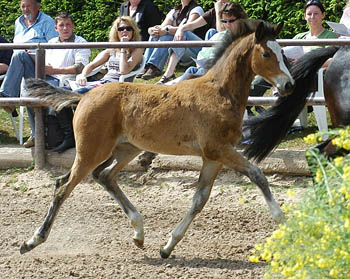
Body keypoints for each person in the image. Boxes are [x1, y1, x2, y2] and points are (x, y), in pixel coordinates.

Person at [248, 0, 337, 117]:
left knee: (279, 72)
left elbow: (334, 61)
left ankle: (259, 104)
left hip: (315, 77)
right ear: (304, 16)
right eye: (309, 14)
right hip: (294, 74)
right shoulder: (299, 37)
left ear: (323, 15)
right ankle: (248, 101)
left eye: (316, 13)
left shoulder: (330, 37)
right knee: (272, 67)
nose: (312, 17)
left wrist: (306, 62)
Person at [23, 11, 91, 150]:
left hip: (66, 82)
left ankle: (53, 136)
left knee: (38, 94)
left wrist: (56, 70)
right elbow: (46, 65)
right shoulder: (51, 42)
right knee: (20, 58)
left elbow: (80, 67)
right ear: (56, 28)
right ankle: (38, 133)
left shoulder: (80, 42)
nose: (65, 28)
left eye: (68, 25)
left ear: (73, 26)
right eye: (61, 25)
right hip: (49, 79)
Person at [165, 1, 248, 85]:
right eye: (224, 21)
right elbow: (193, 25)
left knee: (196, 71)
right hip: (215, 66)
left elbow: (221, 31)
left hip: (227, 73)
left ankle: (174, 85)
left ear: (240, 19)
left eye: (231, 21)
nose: (227, 24)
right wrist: (180, 29)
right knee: (192, 70)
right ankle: (174, 87)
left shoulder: (242, 35)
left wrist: (218, 8)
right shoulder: (215, 16)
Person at [0, 0, 58, 114]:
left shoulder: (48, 22)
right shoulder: (18, 22)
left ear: (38, 6)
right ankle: (8, 97)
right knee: (19, 54)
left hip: (40, 67)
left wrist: (32, 52)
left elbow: (55, 48)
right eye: (23, 6)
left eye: (28, 6)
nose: (25, 9)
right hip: (20, 69)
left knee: (20, 54)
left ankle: (7, 97)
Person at [73, 16, 143, 96]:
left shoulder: (137, 50)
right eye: (121, 29)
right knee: (65, 90)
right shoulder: (112, 50)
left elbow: (124, 70)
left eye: (128, 29)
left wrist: (124, 47)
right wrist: (83, 75)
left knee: (75, 94)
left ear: (133, 31)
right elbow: (92, 65)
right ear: (116, 32)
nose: (124, 31)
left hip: (117, 87)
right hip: (103, 83)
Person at [140, 0, 206, 81]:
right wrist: (152, 30)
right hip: (177, 47)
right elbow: (162, 27)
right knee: (156, 34)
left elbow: (189, 29)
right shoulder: (174, 10)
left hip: (191, 48)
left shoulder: (196, 9)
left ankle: (155, 67)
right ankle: (146, 66)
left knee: (172, 33)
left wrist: (168, 30)